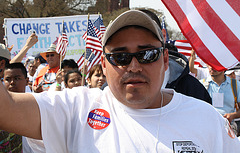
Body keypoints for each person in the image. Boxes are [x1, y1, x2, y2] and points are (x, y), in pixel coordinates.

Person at [0, 10, 239, 152]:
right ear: (103, 64)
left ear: (165, 59)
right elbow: (7, 109)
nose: (134, 66)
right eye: (120, 56)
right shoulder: (76, 109)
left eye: (147, 54)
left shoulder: (207, 120)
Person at [1, 63, 37, 152]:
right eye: (8, 79)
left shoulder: (36, 106)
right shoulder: (2, 110)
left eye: (17, 78)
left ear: (27, 81)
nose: (12, 82)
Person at [200, 65, 240, 135]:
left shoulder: (236, 84)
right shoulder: (201, 84)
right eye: (209, 64)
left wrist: (232, 115)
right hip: (207, 128)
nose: (211, 67)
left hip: (229, 127)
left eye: (215, 63)